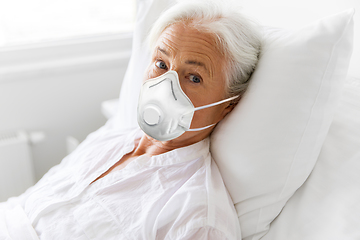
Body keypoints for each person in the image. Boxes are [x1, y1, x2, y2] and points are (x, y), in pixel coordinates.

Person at [0, 0, 261, 239]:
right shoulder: (109, 139)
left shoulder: (196, 217)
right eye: (161, 63)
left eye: (194, 77)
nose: (164, 85)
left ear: (228, 105)